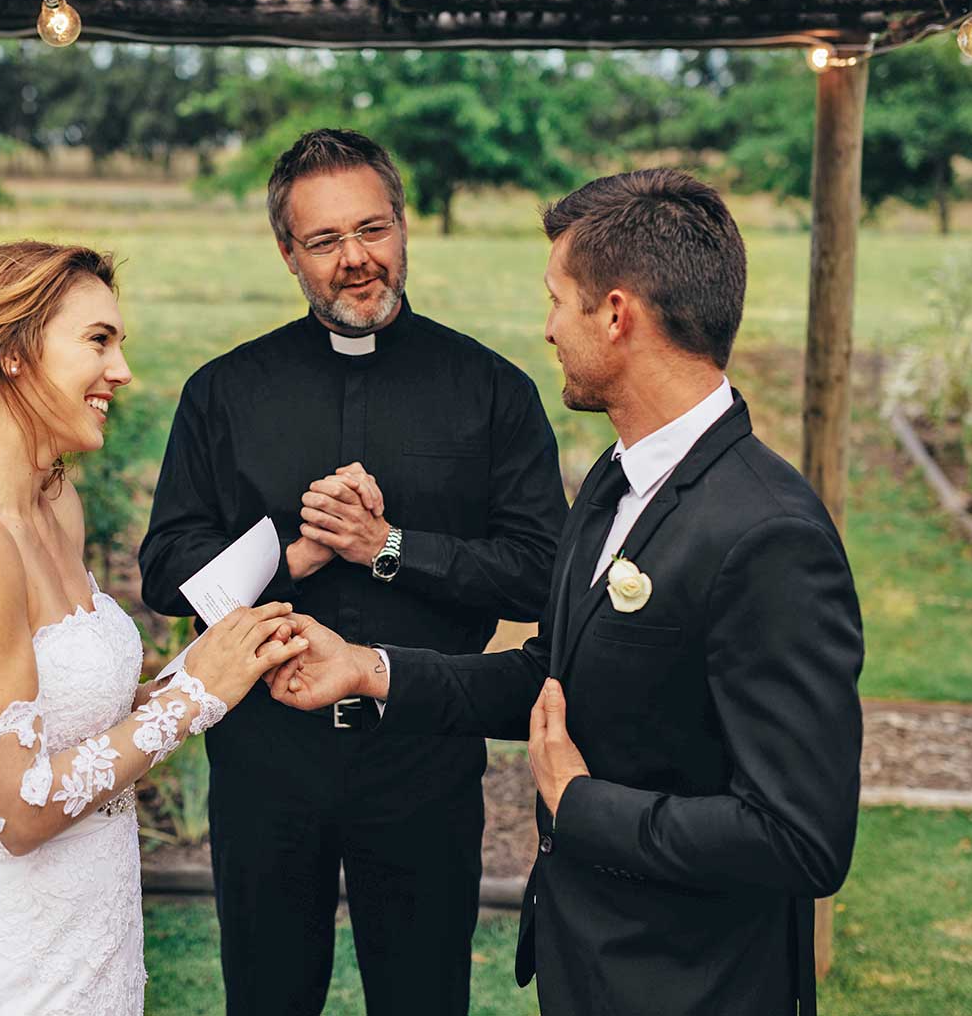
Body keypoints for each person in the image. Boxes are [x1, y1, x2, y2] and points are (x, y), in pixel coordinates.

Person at [269, 169, 866, 1016]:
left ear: (615, 314)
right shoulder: (614, 480)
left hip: (695, 986)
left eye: (557, 299)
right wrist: (368, 668)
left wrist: (582, 807)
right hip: (587, 965)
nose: (546, 328)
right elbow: (551, 674)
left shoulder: (769, 535)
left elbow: (800, 838)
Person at [138, 129, 567, 1016]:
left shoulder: (492, 392)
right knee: (266, 995)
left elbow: (538, 575)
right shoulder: (223, 392)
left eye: (371, 229)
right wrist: (293, 551)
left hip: (422, 749)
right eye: (325, 241)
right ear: (287, 253)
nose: (355, 259)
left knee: (421, 996)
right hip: (262, 757)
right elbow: (165, 571)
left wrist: (390, 546)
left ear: (403, 227)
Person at [0, 240, 307, 1015]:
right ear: (12, 353)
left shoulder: (53, 503)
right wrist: (192, 702)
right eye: (98, 341)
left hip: (100, 937)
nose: (122, 371)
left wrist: (202, 666)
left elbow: (71, 723)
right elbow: (18, 807)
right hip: (11, 968)